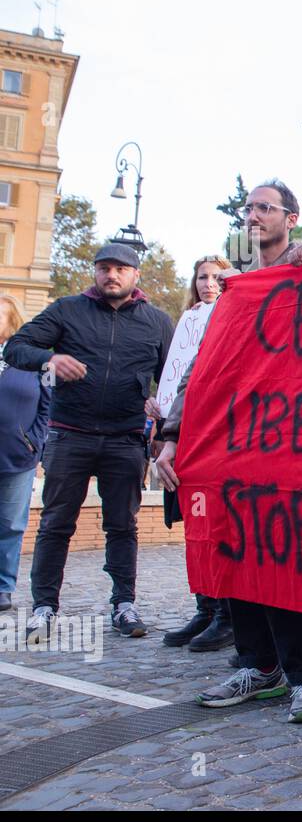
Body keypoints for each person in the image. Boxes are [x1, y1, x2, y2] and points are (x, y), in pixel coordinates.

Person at [156, 181, 302, 723]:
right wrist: (170, 434)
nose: (253, 216)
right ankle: (258, 665)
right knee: (236, 551)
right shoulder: (233, 290)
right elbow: (201, 367)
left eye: (264, 208)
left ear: (291, 217)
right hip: (232, 442)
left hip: (293, 441)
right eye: (248, 208)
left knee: (286, 556)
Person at [5, 242, 173, 642]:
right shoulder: (67, 310)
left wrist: (161, 411)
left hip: (125, 438)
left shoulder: (157, 322)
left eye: (119, 269)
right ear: (95, 273)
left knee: (122, 526)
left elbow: (175, 378)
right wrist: (49, 360)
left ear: (136, 276)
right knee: (55, 524)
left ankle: (124, 604)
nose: (110, 275)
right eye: (103, 268)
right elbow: (16, 347)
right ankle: (44, 607)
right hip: (70, 435)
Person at [157, 255, 237, 652]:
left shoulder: (234, 315)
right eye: (202, 276)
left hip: (221, 435)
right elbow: (185, 373)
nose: (209, 283)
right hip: (188, 432)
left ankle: (225, 614)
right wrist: (167, 425)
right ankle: (206, 606)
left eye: (216, 277)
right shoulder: (190, 323)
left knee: (219, 524)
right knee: (194, 522)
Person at [0, 294, 51, 613]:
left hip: (18, 454)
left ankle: (3, 586)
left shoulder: (38, 359)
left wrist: (35, 441)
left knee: (10, 523)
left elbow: (49, 403)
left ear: (13, 319)